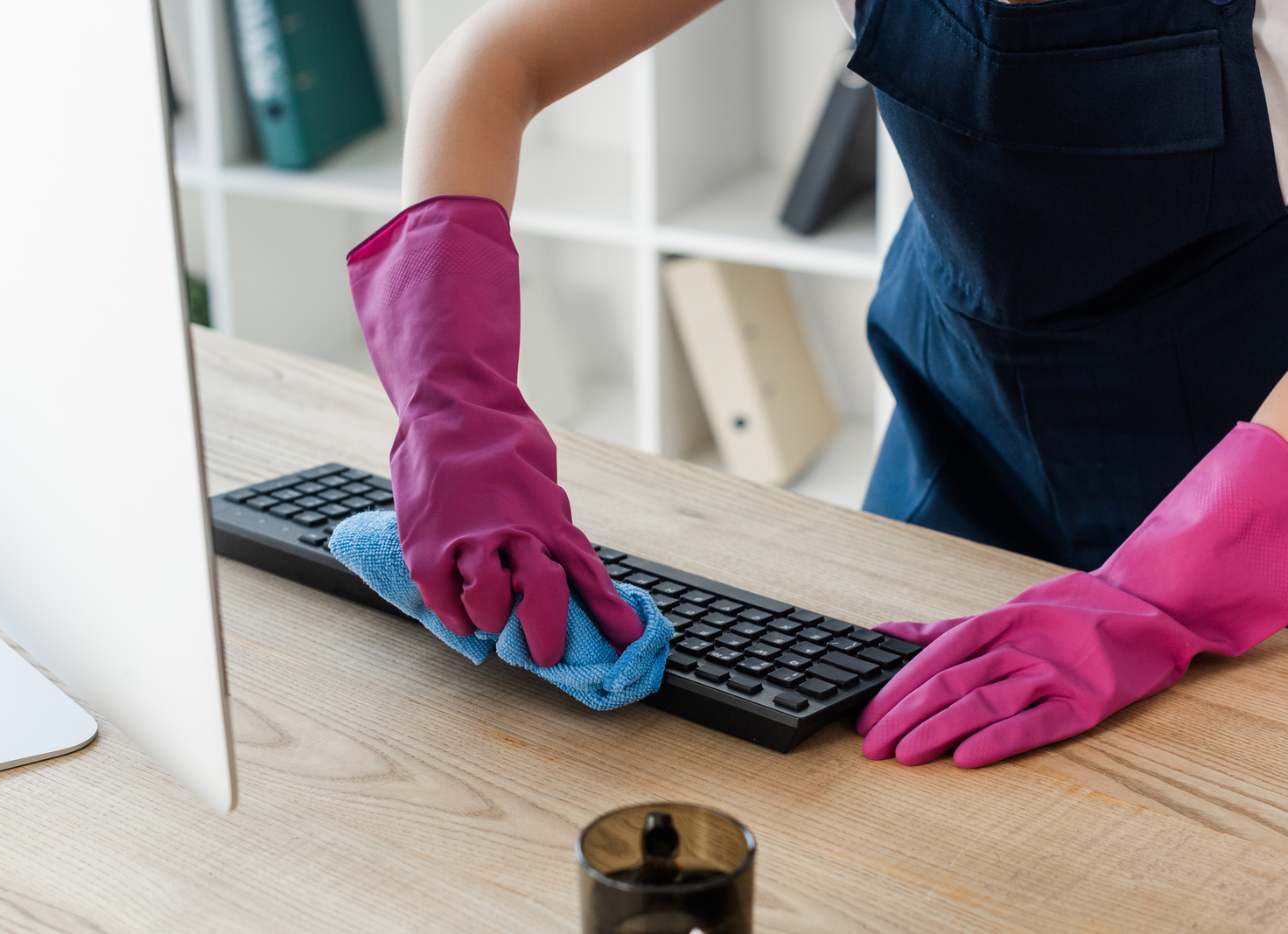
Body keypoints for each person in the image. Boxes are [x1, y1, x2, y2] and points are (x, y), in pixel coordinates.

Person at [345, 0, 1288, 766]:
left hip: (1242, 497)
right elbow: (491, 64)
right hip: (955, 428)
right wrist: (451, 407)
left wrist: (1169, 590)